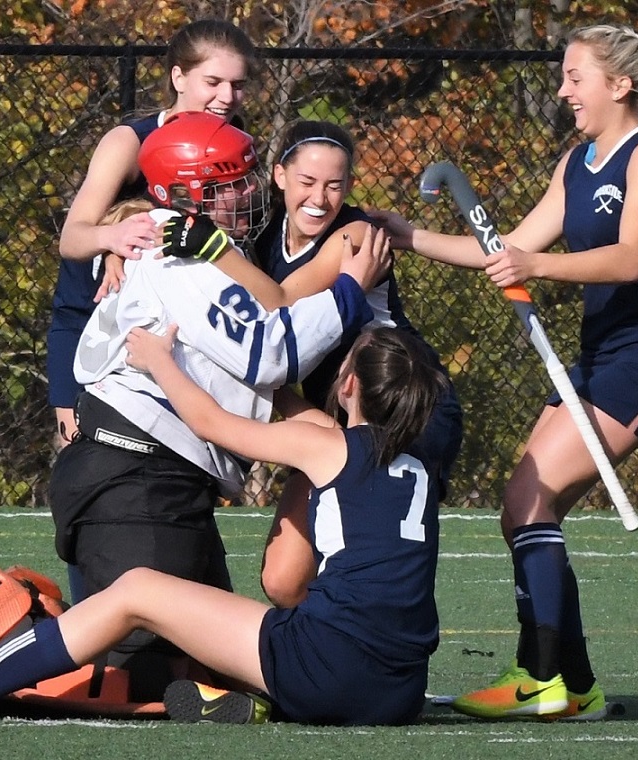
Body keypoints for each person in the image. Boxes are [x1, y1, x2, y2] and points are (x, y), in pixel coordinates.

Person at [372, 24, 638, 721]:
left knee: (529, 497)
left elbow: (630, 259)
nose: (563, 90)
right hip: (603, 357)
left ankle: (544, 677)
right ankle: (569, 683)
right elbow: (511, 247)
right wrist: (405, 235)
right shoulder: (575, 163)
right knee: (523, 505)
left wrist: (537, 268)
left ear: (621, 85)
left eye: (575, 76)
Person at [0, 325, 451, 726]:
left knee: (138, 590)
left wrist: (159, 359)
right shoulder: (422, 462)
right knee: (274, 627)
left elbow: (210, 424)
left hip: (326, 671)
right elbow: (311, 423)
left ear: (348, 382)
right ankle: (247, 698)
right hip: (399, 694)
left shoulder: (325, 445)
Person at [48, 111, 390, 703]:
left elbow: (256, 331)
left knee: (230, 677)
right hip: (136, 481)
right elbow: (267, 352)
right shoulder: (182, 252)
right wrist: (349, 294)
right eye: (232, 181)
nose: (249, 190)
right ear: (192, 190)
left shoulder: (196, 243)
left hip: (161, 479)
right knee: (141, 684)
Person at [203, 120, 463, 607]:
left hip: (404, 409)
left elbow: (280, 301)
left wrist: (208, 246)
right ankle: (325, 655)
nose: (319, 198)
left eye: (334, 185)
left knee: (372, 565)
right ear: (279, 177)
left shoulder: (356, 235)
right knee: (283, 581)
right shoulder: (259, 237)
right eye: (306, 182)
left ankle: (379, 662)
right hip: (340, 419)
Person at [47, 19, 257, 450]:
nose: (226, 97)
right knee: (85, 466)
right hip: (94, 328)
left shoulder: (235, 143)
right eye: (212, 81)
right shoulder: (130, 141)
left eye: (237, 84)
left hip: (171, 339)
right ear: (178, 76)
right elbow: (72, 238)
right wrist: (114, 239)